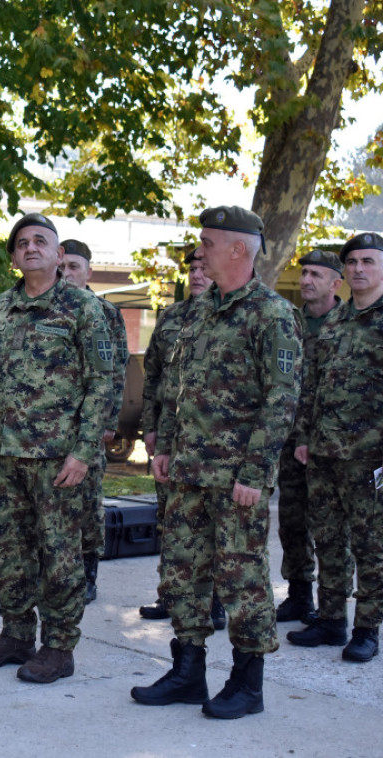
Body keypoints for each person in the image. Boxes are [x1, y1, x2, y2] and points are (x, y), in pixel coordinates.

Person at [131, 205, 301, 719]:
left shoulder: (271, 315)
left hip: (235, 481)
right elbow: (179, 390)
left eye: (207, 242)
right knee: (182, 574)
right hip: (186, 473)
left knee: (242, 580)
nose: (198, 252)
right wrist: (163, 450)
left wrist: (254, 474)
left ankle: (247, 685)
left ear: (236, 249)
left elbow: (281, 400)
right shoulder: (198, 313)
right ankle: (188, 672)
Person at [0, 213, 114, 684]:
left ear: (57, 254)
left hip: (59, 459)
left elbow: (103, 383)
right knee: (7, 553)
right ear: (13, 256)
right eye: (22, 243)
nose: (30, 248)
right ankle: (15, 634)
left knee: (59, 556)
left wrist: (84, 451)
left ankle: (58, 646)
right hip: (7, 457)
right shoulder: (0, 309)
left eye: (40, 241)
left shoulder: (82, 308)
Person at [289, 232, 383, 663]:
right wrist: (305, 437)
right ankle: (330, 618)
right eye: (353, 262)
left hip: (369, 457)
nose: (360, 268)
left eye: (369, 260)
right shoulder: (336, 323)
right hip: (325, 452)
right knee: (328, 539)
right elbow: (312, 387)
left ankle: (367, 628)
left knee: (371, 546)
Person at [138, 250, 213, 621]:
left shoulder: (228, 316)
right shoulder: (172, 319)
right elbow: (152, 378)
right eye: (192, 269)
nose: (197, 275)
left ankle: (210, 601)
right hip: (172, 438)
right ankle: (170, 594)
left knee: (209, 524)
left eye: (203, 268)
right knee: (169, 520)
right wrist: (150, 428)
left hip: (213, 443)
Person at [275, 249, 344, 623]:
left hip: (332, 445)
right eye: (303, 274)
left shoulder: (347, 324)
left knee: (332, 527)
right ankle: (299, 596)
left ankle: (332, 608)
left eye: (316, 274)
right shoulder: (291, 324)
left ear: (335, 283)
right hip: (290, 443)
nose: (306, 281)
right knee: (292, 520)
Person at [59, 239, 129, 604]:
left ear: (89, 271)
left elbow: (116, 371)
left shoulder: (106, 312)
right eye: (63, 266)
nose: (67, 273)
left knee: (88, 502)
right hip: (51, 428)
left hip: (89, 426)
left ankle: (88, 574)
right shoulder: (49, 307)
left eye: (74, 266)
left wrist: (107, 421)